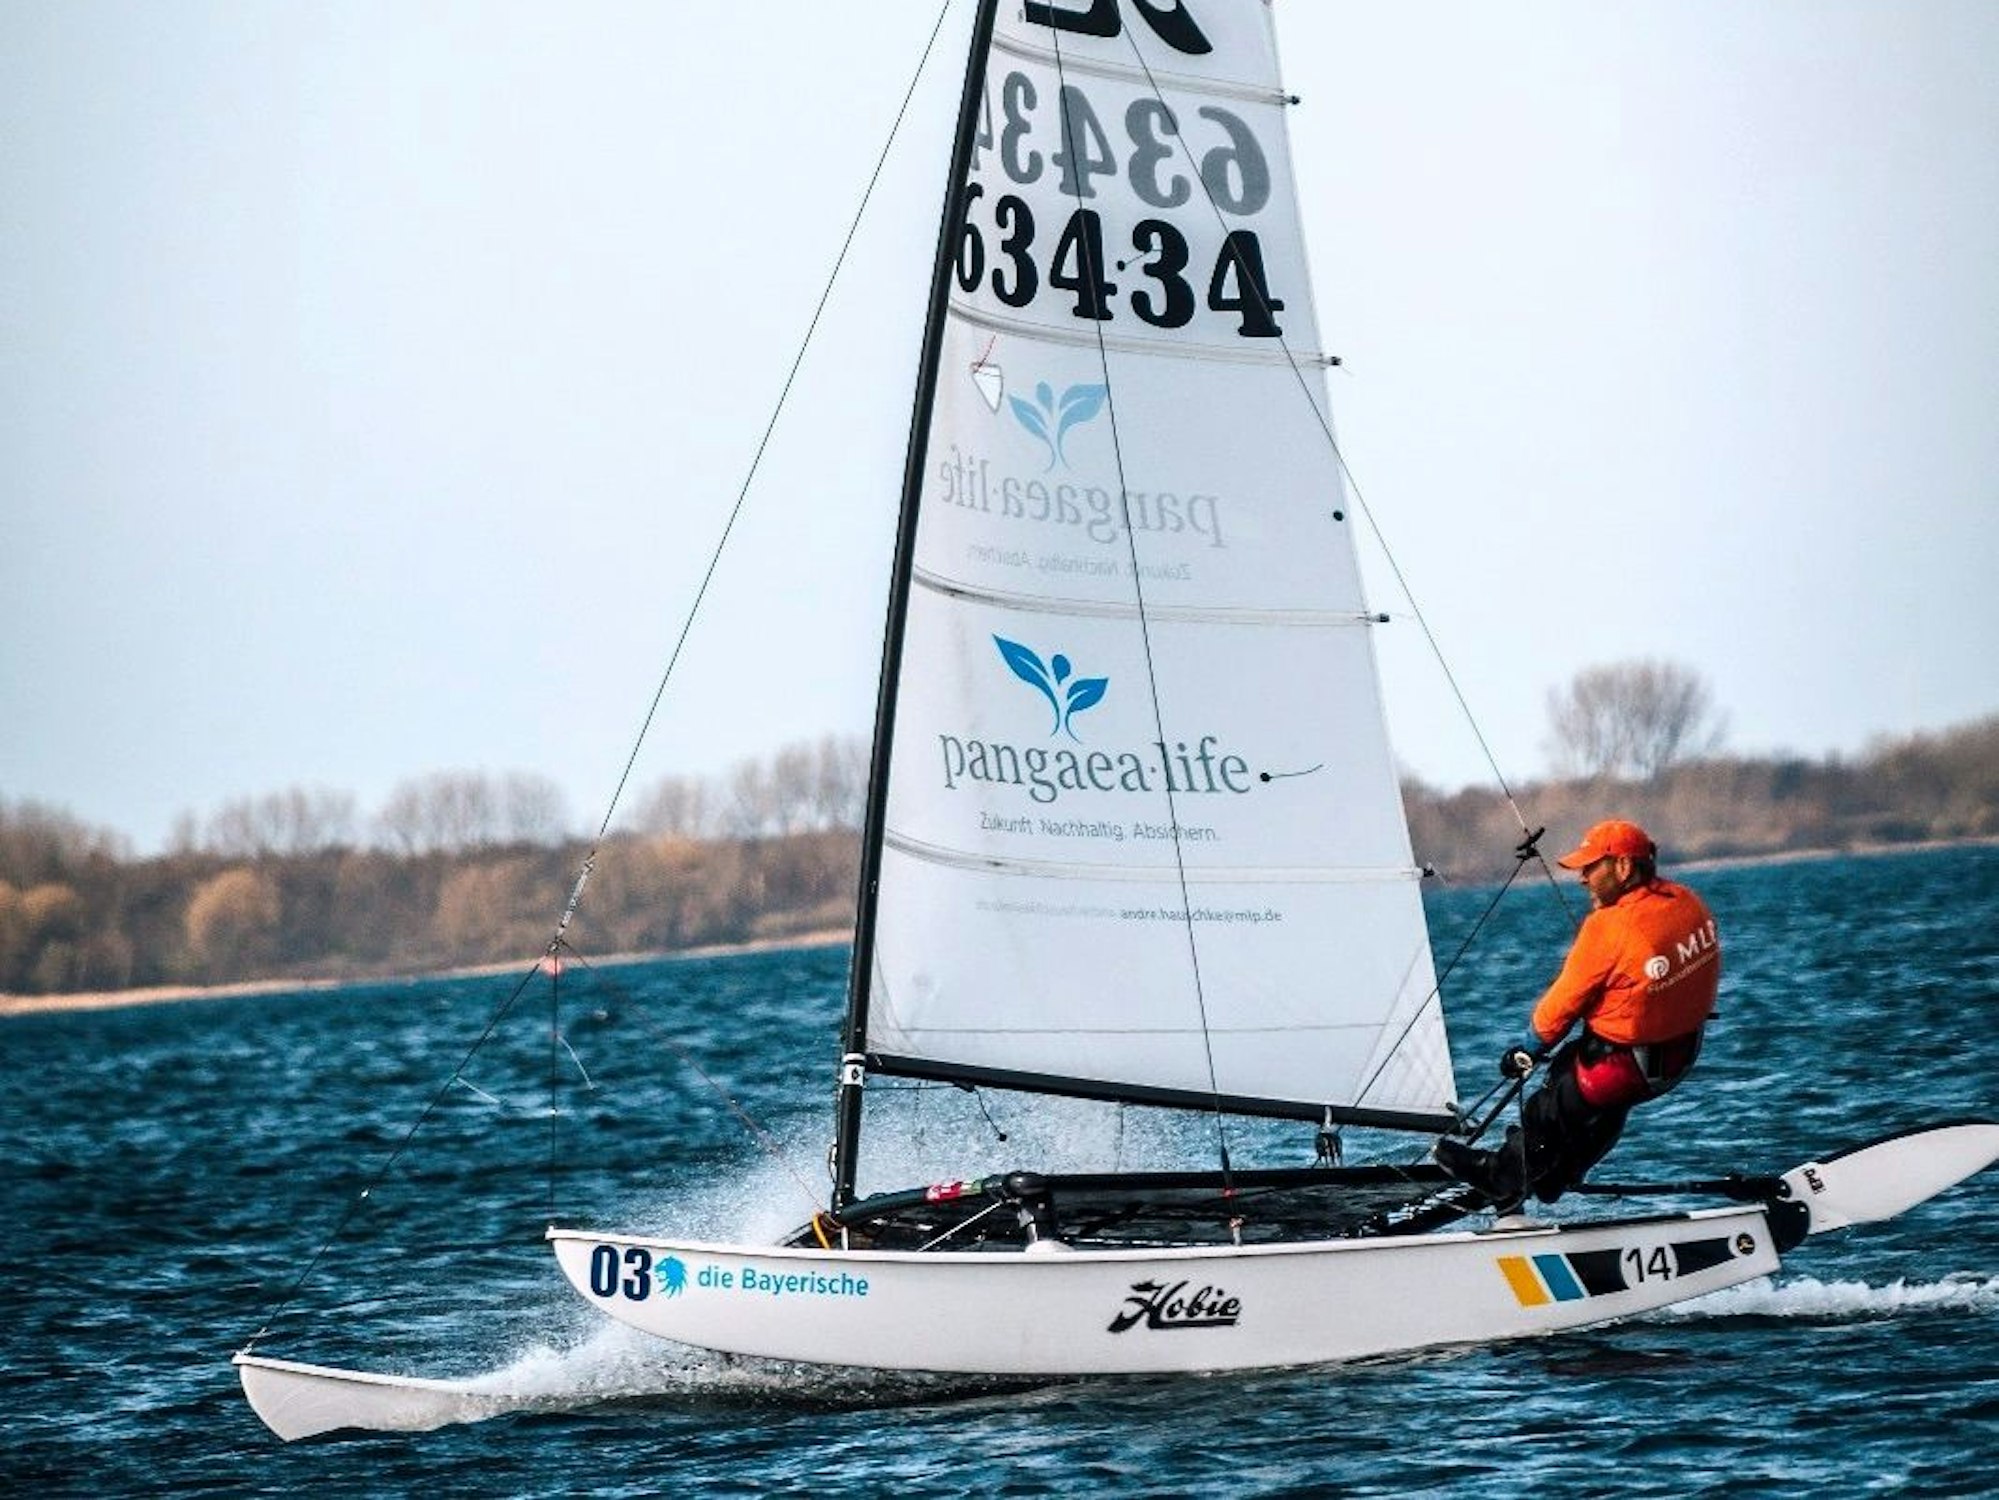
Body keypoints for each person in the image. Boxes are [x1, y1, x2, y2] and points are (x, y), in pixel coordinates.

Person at [1435, 819, 1720, 1211]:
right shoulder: (1687, 901)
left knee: (1546, 1110)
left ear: (1623, 867)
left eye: (1591, 867)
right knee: (1595, 1101)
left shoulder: (1610, 926)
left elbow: (1562, 1003)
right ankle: (1556, 1178)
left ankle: (1499, 1177)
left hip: (1623, 1068)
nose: (1583, 878)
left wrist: (1527, 1049)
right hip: (1679, 1058)